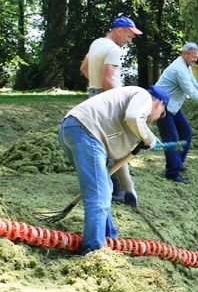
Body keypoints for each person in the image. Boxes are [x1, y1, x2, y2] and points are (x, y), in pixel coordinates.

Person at [58, 86, 169, 255]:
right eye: (162, 113)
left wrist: (129, 189)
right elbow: (133, 117)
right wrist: (150, 138)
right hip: (85, 131)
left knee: (105, 187)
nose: (159, 118)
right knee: (99, 193)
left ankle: (109, 237)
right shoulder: (143, 97)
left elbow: (120, 159)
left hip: (71, 128)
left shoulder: (133, 123)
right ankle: (93, 252)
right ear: (159, 103)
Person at [79, 16, 143, 201]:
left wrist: (96, 85)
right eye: (129, 36)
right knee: (116, 142)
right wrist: (121, 100)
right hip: (108, 99)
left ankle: (110, 188)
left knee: (101, 141)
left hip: (94, 95)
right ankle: (117, 191)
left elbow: (84, 68)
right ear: (119, 30)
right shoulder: (114, 49)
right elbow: (108, 80)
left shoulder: (97, 43)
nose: (129, 41)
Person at [155, 42, 198, 184]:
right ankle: (172, 173)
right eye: (193, 57)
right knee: (172, 138)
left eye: (197, 57)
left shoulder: (186, 67)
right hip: (159, 106)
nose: (195, 60)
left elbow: (195, 86)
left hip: (173, 106)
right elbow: (191, 92)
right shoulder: (178, 69)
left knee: (186, 132)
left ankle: (177, 163)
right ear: (185, 54)